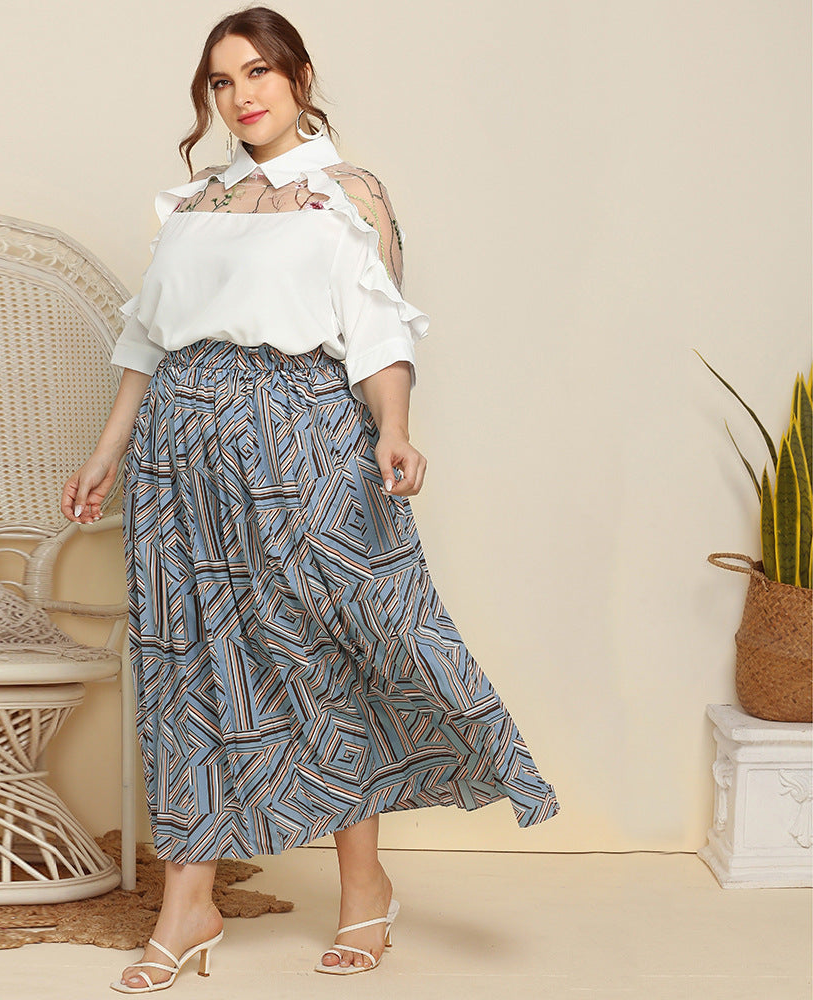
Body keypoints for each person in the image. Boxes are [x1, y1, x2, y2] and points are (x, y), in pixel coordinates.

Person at [62, 5, 560, 993]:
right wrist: (107, 451)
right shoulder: (195, 203)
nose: (240, 96)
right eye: (221, 81)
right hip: (179, 456)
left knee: (328, 653)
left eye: (258, 72)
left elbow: (378, 330)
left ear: (298, 76)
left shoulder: (347, 194)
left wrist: (394, 428)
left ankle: (365, 887)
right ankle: (188, 905)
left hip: (302, 440)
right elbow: (147, 340)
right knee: (188, 666)